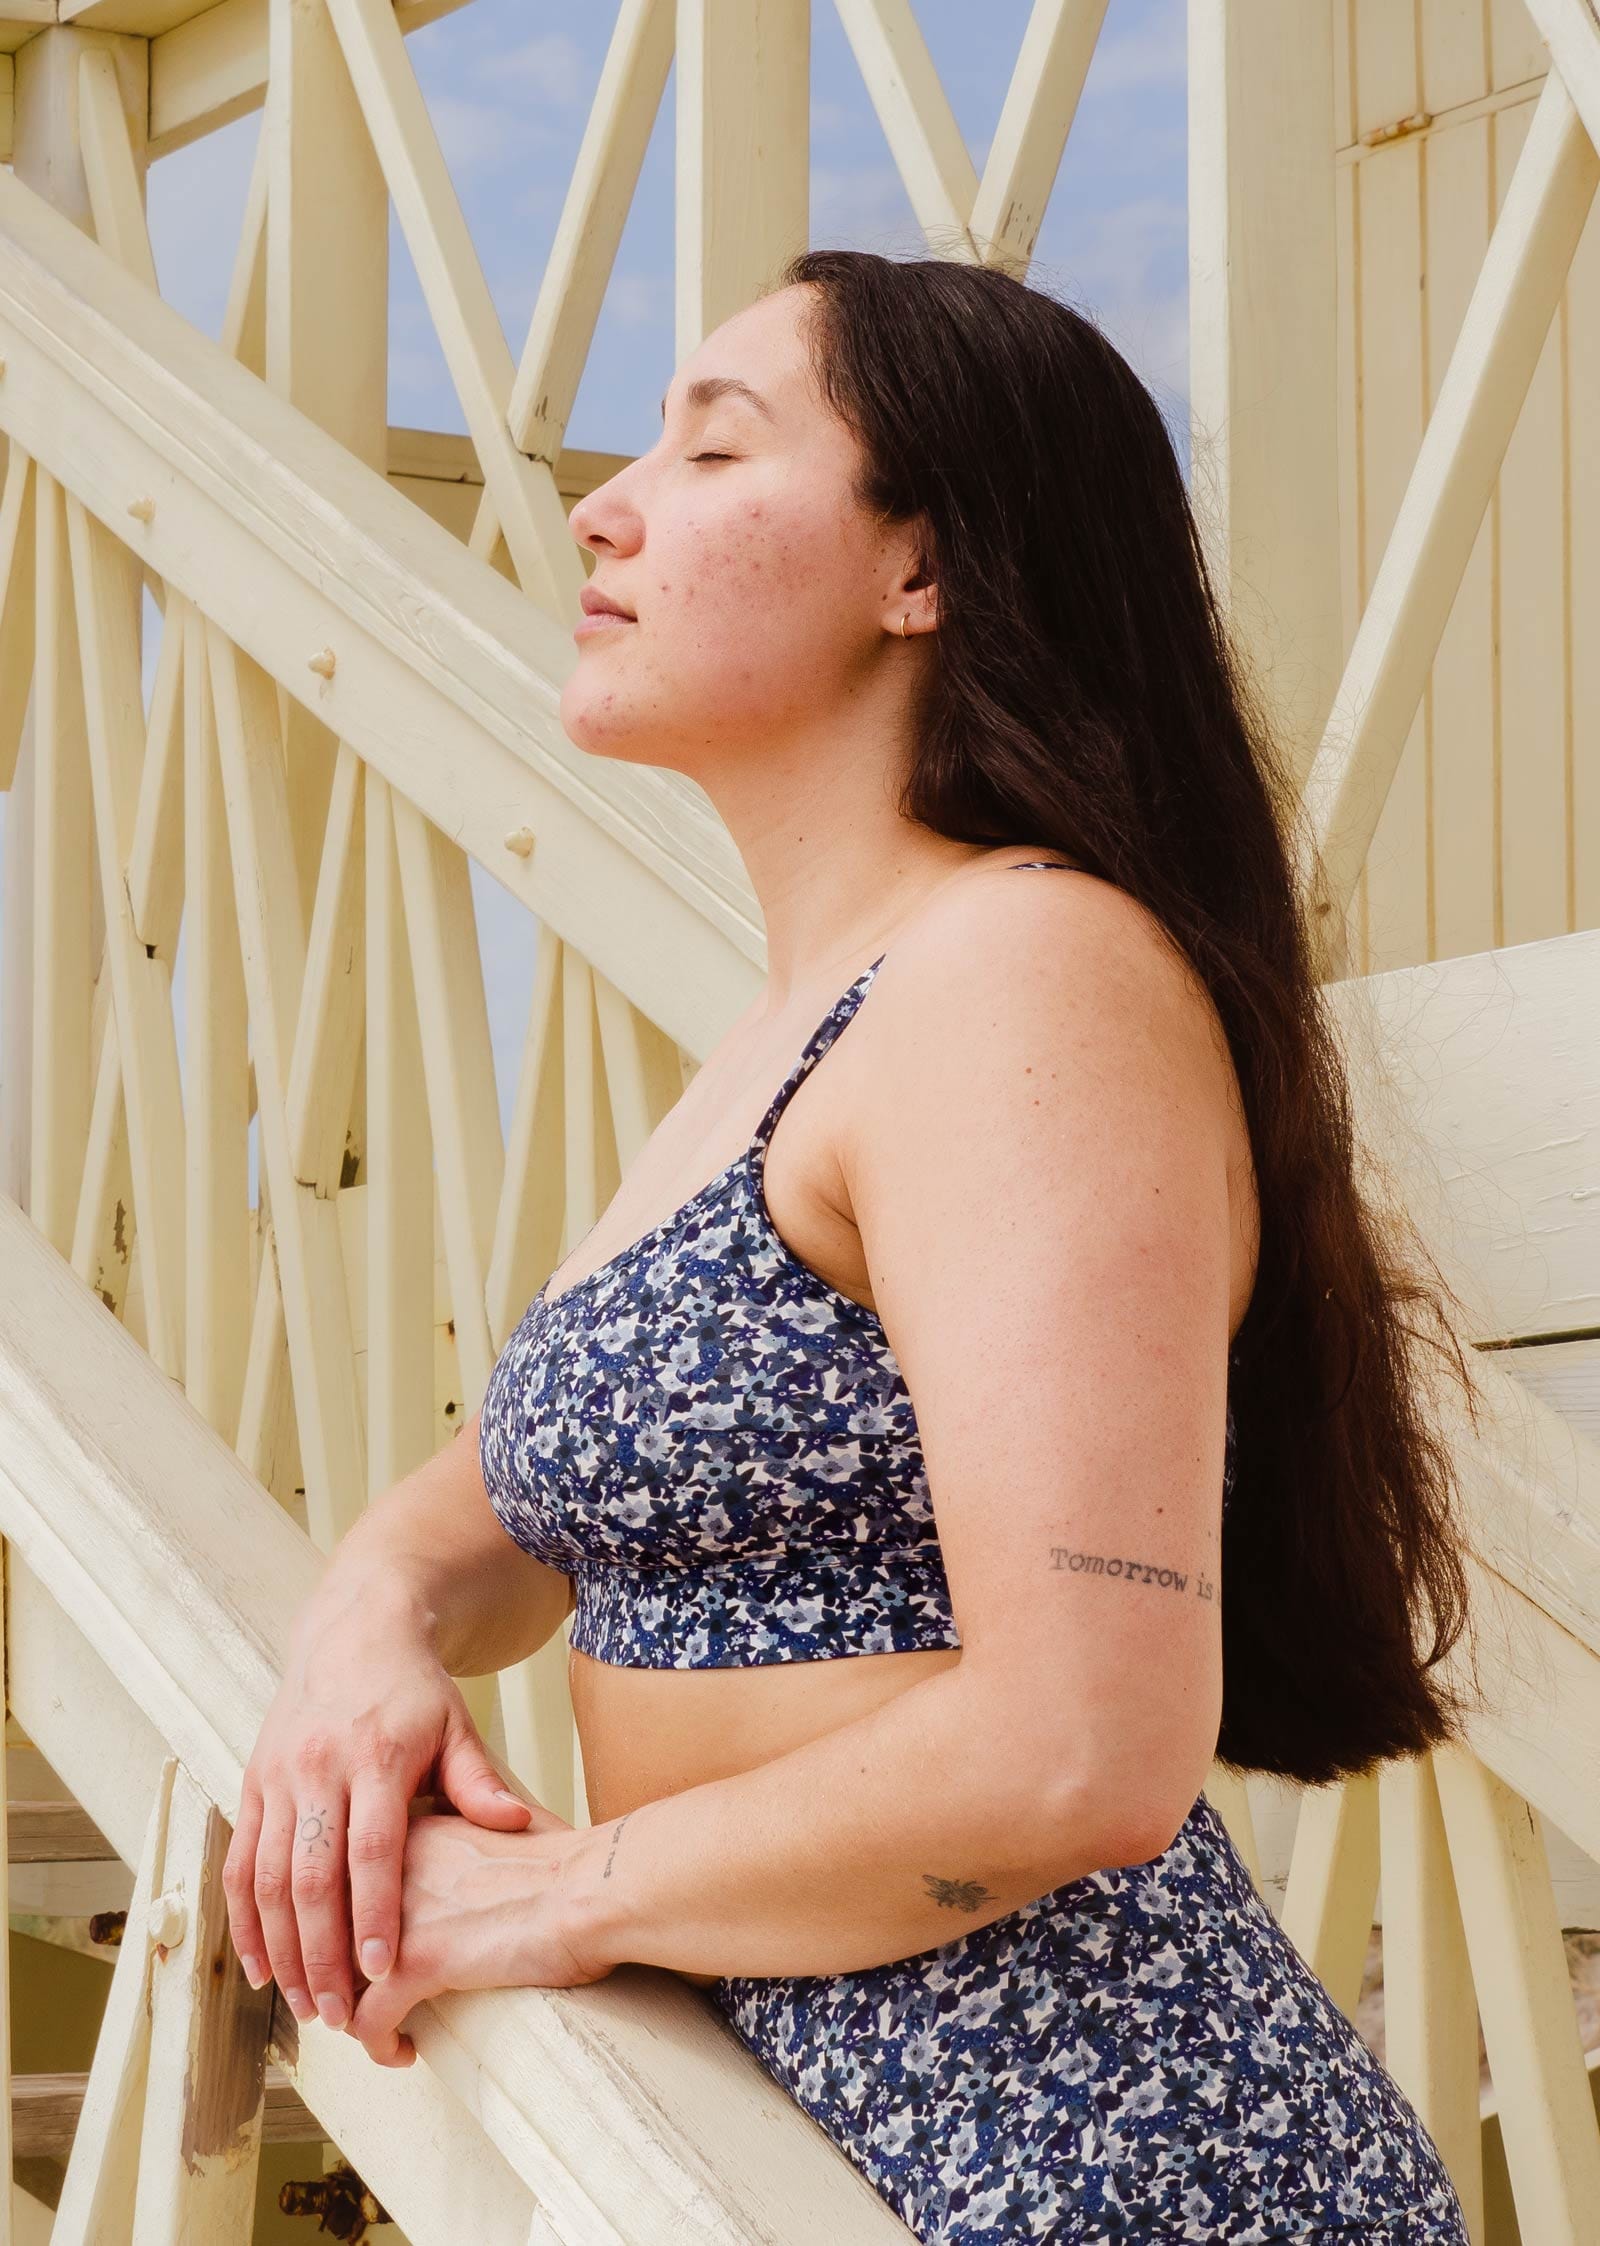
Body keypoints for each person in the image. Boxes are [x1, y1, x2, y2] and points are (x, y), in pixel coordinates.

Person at [225, 248, 1484, 2243]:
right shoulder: (802, 1034)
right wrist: (364, 1630)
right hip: (833, 2143)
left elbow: (1081, 1739)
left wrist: (547, 1892)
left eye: (714, 449)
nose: (601, 498)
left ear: (924, 570)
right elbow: (502, 1507)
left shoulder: (1026, 973)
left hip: (1085, 2167)